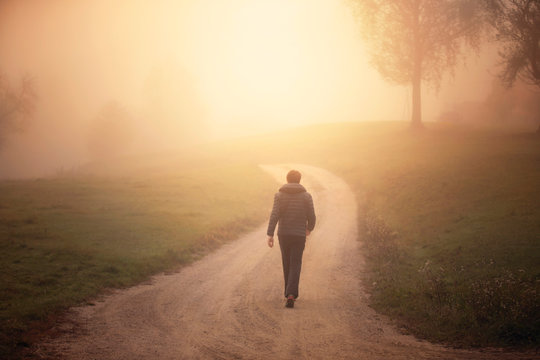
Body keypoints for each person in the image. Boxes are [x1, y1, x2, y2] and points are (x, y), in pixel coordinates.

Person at [266, 169, 316, 308]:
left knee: (286, 262)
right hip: (299, 235)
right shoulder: (306, 196)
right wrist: (309, 228)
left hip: (284, 234)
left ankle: (289, 293)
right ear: (299, 180)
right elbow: (312, 216)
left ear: (287, 180)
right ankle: (291, 294)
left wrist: (270, 234)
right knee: (296, 262)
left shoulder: (279, 195)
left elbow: (274, 215)